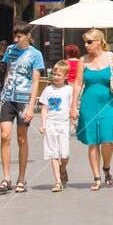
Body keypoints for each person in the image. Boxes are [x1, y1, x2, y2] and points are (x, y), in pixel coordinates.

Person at [70, 28, 113, 189]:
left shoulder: (111, 58)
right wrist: (73, 106)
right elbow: (77, 83)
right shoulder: (83, 60)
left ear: (100, 41)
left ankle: (106, 168)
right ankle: (96, 177)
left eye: (89, 42)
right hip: (88, 105)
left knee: (107, 139)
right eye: (85, 42)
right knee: (92, 141)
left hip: (108, 104)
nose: (86, 45)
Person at [0, 24, 45, 194]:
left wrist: (32, 106)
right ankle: (6, 177)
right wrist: (3, 91)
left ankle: (21, 178)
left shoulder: (36, 54)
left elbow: (36, 81)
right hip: (8, 97)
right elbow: (8, 70)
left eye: (19, 37)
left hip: (24, 100)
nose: (16, 40)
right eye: (14, 36)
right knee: (4, 135)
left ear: (27, 36)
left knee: (21, 138)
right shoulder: (10, 50)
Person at [38, 62, 74, 192]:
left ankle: (62, 168)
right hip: (50, 124)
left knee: (65, 154)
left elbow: (72, 107)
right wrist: (43, 124)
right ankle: (58, 181)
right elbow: (44, 108)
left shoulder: (69, 90)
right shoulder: (48, 90)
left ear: (65, 76)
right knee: (53, 153)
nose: (56, 77)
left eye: (59, 74)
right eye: (54, 74)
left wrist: (74, 119)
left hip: (64, 124)